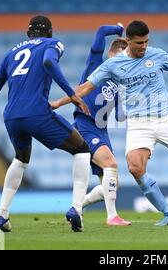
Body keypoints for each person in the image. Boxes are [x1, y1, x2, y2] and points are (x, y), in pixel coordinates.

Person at [63, 20, 168, 226]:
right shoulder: (112, 65)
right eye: (139, 43)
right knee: (135, 167)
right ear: (128, 41)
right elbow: (86, 87)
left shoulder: (157, 54)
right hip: (139, 124)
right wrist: (59, 102)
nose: (144, 46)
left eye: (146, 41)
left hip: (166, 120)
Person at [0, 15, 91, 232]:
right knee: (82, 150)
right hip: (37, 113)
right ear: (49, 32)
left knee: (20, 159)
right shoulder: (53, 43)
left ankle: (2, 215)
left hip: (11, 117)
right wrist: (71, 94)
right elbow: (48, 61)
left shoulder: (9, 54)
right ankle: (76, 210)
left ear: (28, 33)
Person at [51, 24, 131, 226]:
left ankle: (77, 208)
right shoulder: (96, 65)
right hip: (85, 124)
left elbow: (121, 117)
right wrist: (119, 29)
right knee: (111, 165)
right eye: (123, 54)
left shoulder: (120, 83)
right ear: (112, 53)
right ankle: (112, 217)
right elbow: (101, 31)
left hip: (102, 131)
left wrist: (125, 95)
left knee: (111, 183)